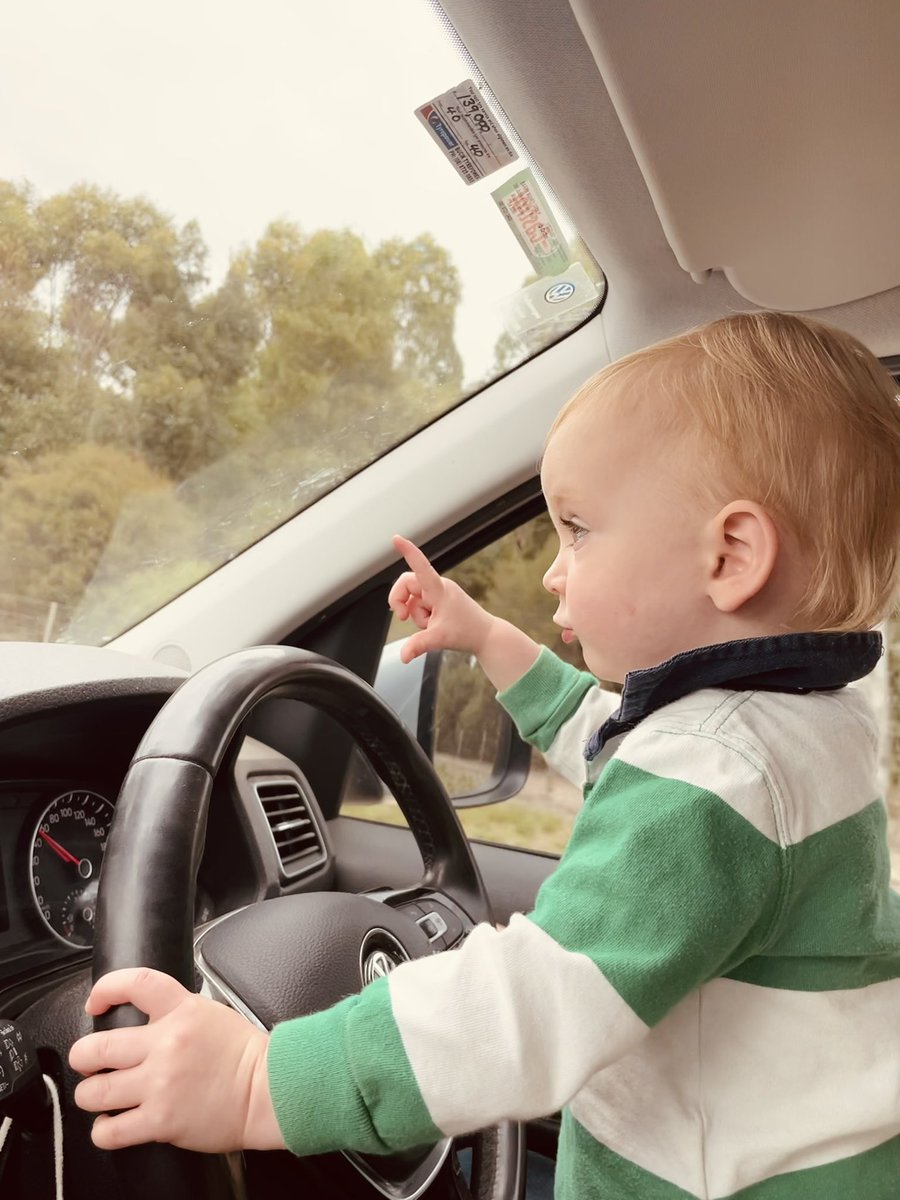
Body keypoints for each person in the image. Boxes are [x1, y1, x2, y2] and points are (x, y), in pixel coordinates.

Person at [70, 312, 900, 1199]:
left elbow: (531, 1005)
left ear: (730, 555)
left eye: (577, 529)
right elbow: (616, 746)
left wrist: (258, 1082)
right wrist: (491, 640)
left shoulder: (717, 776)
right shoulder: (803, 726)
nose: (553, 569)